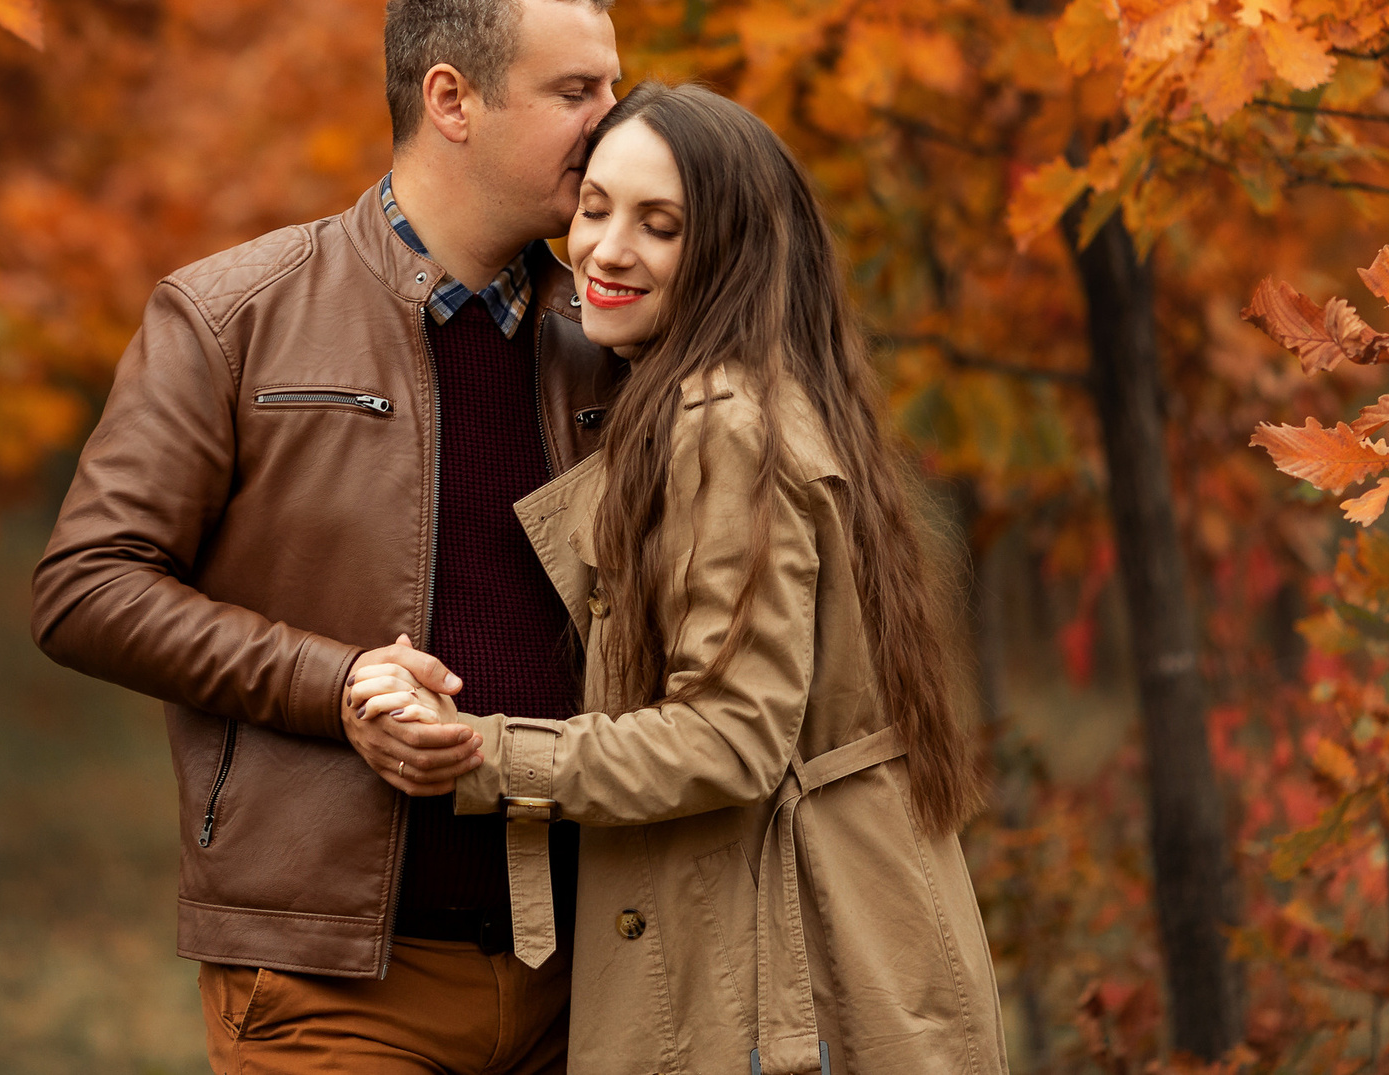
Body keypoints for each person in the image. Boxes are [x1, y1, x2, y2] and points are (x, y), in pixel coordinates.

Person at [32, 0, 627, 1074]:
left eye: (613, 86)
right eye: (574, 91)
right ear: (450, 100)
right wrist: (336, 680)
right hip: (332, 987)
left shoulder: (616, 338)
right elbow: (85, 588)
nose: (613, 122)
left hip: (592, 980)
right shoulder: (231, 315)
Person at [350, 82, 1007, 1075]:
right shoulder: (760, 393)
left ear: (731, 255)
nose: (607, 249)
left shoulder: (722, 424)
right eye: (594, 208)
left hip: (782, 968)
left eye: (660, 226)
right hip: (832, 936)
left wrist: (478, 754)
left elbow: (732, 736)